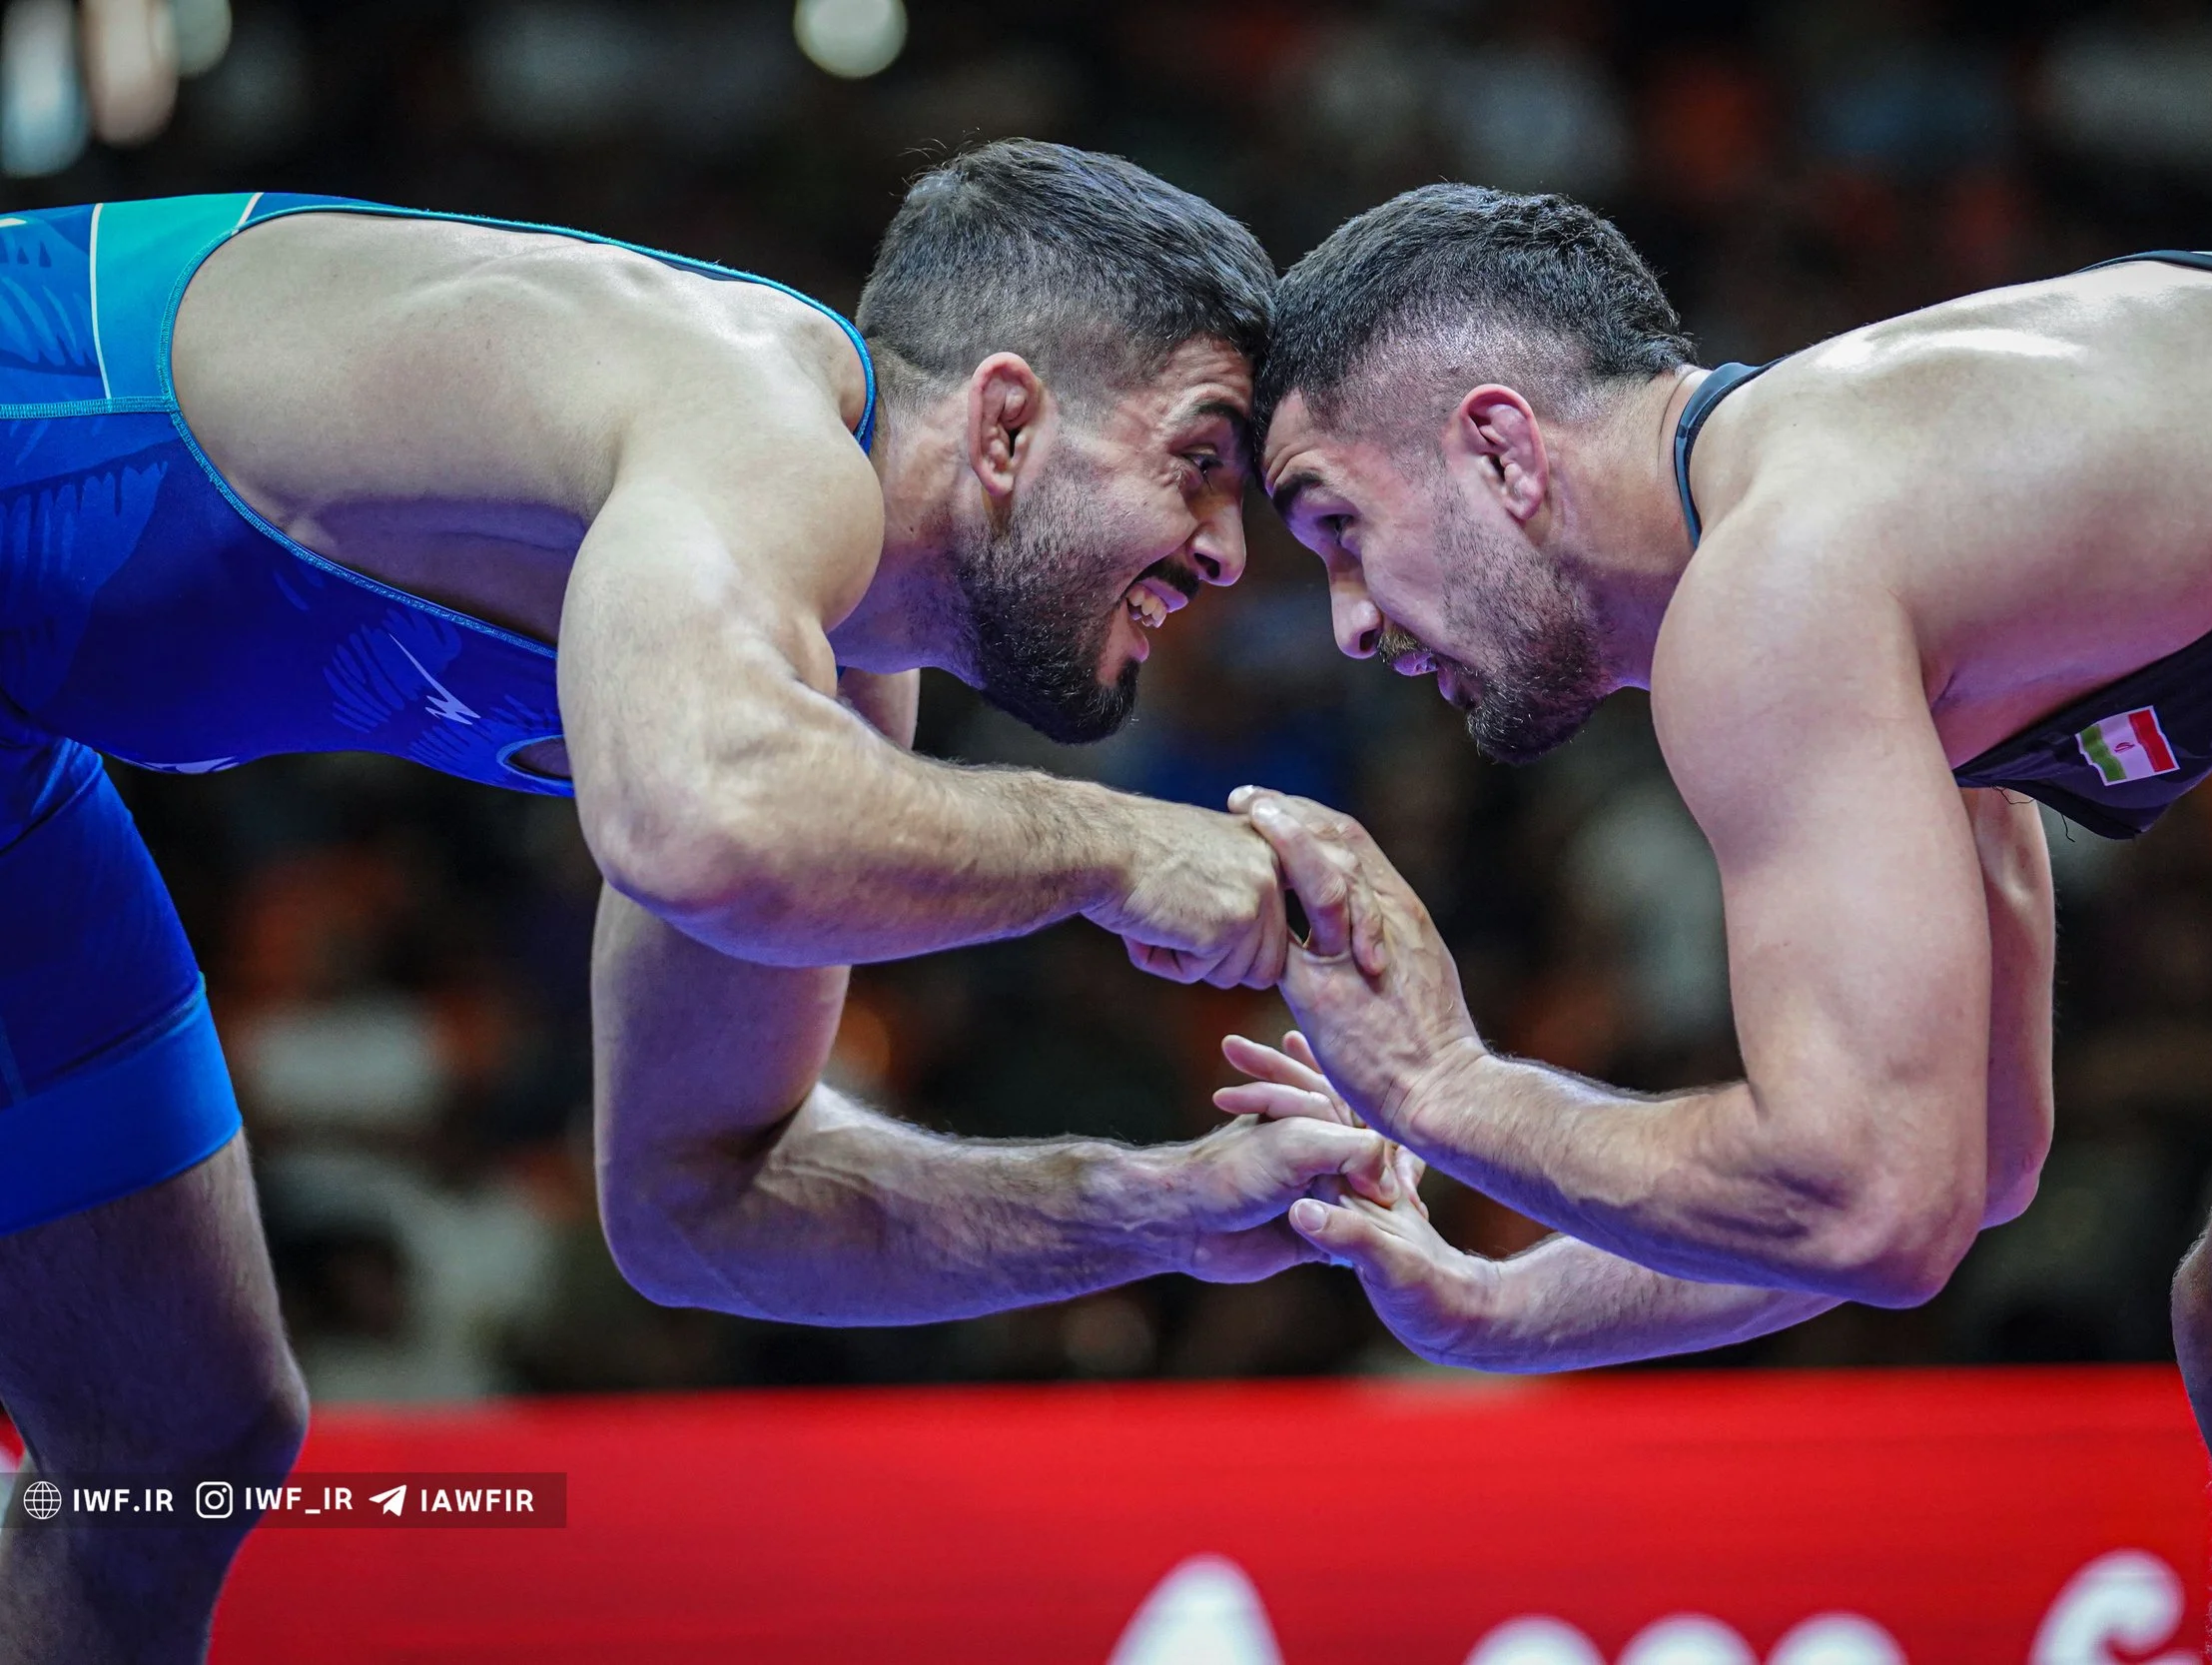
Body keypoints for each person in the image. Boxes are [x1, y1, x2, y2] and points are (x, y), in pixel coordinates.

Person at [0, 142, 1404, 1664]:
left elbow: (700, 1199)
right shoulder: (748, 408)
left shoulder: (829, 691)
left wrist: (1163, 1209)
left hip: (20, 741)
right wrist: (1116, 847)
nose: (1226, 553)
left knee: (176, 1443)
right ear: (1007, 421)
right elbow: (699, 819)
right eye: (1199, 458)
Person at [1224, 184, 2212, 1663]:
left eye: (1340, 528)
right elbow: (1971, 1160)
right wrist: (1499, 1304)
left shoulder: (1784, 578)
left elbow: (1870, 1200)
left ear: (1501, 448)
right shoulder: (1850, 535)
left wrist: (1448, 1089)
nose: (1348, 622)